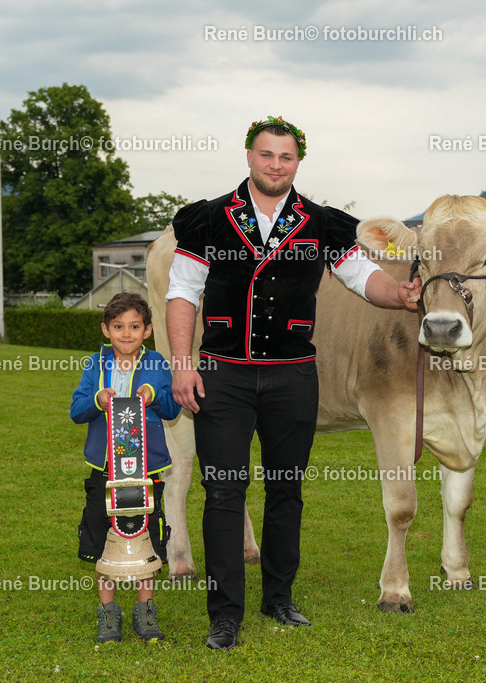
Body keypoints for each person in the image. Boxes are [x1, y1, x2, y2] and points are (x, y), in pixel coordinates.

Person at [165, 115, 420, 650]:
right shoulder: (206, 220)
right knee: (224, 493)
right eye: (266, 155)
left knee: (287, 490)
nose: (275, 165)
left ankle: (278, 598)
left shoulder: (322, 222)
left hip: (292, 377)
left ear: (297, 163)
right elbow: (183, 294)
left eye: (286, 157)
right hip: (223, 374)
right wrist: (183, 363)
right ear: (249, 157)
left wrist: (398, 295)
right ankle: (224, 614)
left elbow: (361, 276)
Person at [71, 292, 181, 643]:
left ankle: (145, 612)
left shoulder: (158, 363)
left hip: (146, 472)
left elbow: (172, 410)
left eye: (135, 326)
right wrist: (97, 400)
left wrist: (154, 393)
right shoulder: (94, 364)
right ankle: (108, 613)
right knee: (106, 540)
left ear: (147, 330)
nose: (126, 333)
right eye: (118, 326)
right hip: (105, 473)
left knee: (145, 538)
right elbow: (76, 410)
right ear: (106, 330)